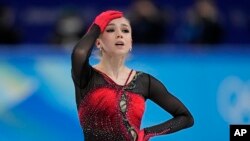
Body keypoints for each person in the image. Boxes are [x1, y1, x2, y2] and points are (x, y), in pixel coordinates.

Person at [71, 10, 194, 141]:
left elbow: (185, 117)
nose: (119, 35)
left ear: (130, 42)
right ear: (98, 42)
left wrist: (147, 133)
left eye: (125, 31)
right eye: (111, 30)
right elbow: (79, 53)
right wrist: (97, 25)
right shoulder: (87, 76)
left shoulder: (144, 82)